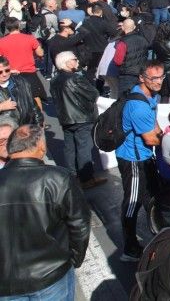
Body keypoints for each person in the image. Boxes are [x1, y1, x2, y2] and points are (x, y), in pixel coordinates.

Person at [0, 125, 91, 299]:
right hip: (51, 276)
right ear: (41, 147)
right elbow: (80, 225)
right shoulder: (59, 178)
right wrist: (73, 260)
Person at [116, 61, 165, 262]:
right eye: (154, 78)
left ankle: (159, 235)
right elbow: (151, 139)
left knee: (152, 196)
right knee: (132, 202)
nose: (159, 82)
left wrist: (163, 133)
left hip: (144, 157)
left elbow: (155, 124)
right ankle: (129, 248)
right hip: (132, 160)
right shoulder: (137, 107)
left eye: (161, 77)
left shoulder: (149, 96)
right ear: (142, 78)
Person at [50, 50, 105, 190]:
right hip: (81, 118)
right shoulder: (75, 78)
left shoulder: (55, 80)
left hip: (66, 118)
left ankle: (73, 175)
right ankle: (87, 178)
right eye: (75, 59)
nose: (77, 61)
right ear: (67, 62)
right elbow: (93, 93)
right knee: (83, 148)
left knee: (70, 147)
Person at [0, 17, 46, 107]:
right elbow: (40, 53)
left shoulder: (1, 42)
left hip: (12, 73)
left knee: (15, 98)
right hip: (29, 72)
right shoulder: (30, 38)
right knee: (35, 97)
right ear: (19, 25)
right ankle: (40, 119)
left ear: (7, 27)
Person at [0, 55, 43, 129]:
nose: (4, 74)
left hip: (26, 129)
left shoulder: (21, 82)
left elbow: (33, 105)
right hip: (5, 134)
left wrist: (39, 125)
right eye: (0, 72)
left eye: (7, 70)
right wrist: (1, 107)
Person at [111, 18, 152, 97]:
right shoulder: (143, 40)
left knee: (123, 100)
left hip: (127, 75)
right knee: (139, 97)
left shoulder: (123, 42)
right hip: (141, 74)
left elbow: (117, 61)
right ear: (134, 27)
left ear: (123, 28)